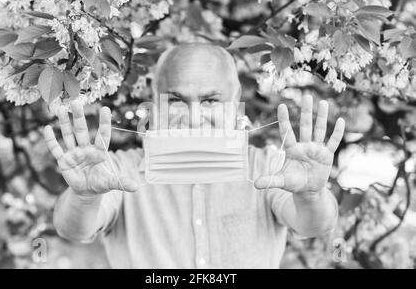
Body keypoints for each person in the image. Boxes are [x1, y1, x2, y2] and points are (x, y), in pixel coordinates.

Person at [43, 43, 345, 268]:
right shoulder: (118, 171)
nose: (194, 117)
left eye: (211, 100)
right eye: (176, 100)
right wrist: (84, 198)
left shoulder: (267, 166)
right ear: (156, 102)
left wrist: (310, 195)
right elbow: (74, 230)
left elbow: (313, 225)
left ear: (235, 100)